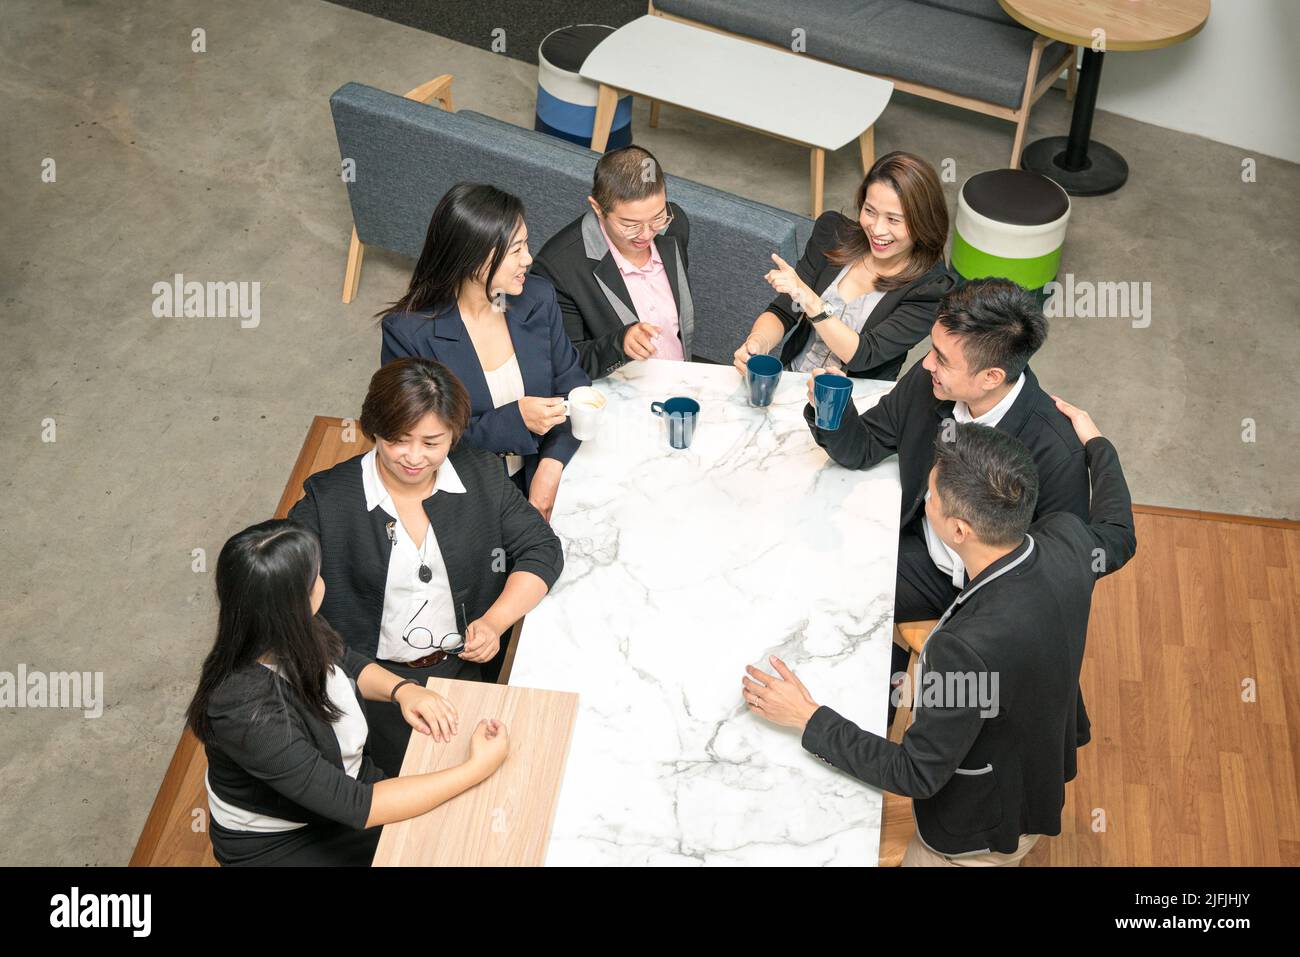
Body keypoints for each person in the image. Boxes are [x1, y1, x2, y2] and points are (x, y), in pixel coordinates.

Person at [743, 406, 1137, 865]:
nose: (924, 500)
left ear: (958, 529)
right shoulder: (1069, 539)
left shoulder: (967, 649)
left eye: (930, 495)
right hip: (1036, 761)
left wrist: (808, 717)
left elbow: (915, 772)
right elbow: (1119, 531)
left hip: (978, 828)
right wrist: (1097, 443)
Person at [805, 278, 1092, 733]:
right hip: (922, 551)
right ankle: (843, 723)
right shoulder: (931, 383)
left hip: (990, 594)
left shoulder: (1054, 450)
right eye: (932, 348)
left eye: (942, 358)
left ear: (991, 377)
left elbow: (1066, 565)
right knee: (826, 588)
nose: (926, 364)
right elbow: (865, 445)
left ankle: (860, 741)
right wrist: (830, 409)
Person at [288, 358, 564, 774]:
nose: (414, 457)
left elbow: (541, 548)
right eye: (399, 440)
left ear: (454, 435)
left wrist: (494, 621)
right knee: (399, 784)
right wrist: (391, 687)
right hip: (371, 683)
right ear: (373, 430)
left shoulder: (480, 473)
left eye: (432, 443)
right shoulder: (328, 500)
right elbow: (285, 603)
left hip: (465, 670)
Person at [188, 519, 511, 866]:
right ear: (295, 602)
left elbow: (342, 658)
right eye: (316, 577)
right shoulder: (244, 711)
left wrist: (402, 691)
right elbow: (358, 805)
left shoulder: (286, 624)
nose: (323, 581)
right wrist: (477, 767)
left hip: (345, 787)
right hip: (284, 840)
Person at [380, 183, 590, 521]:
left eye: (526, 244)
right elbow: (419, 444)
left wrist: (549, 469)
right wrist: (515, 420)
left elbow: (573, 388)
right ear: (474, 258)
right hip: (461, 498)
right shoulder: (409, 335)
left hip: (544, 474)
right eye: (516, 250)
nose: (529, 259)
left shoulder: (538, 299)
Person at [733, 151, 953, 382]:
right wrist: (757, 342)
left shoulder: (932, 288)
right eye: (870, 211)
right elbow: (784, 311)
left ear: (923, 221)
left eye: (893, 219)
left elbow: (864, 354)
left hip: (856, 404)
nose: (877, 229)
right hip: (794, 379)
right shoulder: (833, 234)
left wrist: (809, 298)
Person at [531, 145, 694, 380]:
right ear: (597, 208)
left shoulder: (674, 226)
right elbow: (563, 361)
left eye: (657, 217)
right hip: (617, 397)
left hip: (682, 378)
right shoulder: (559, 267)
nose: (646, 235)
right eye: (630, 224)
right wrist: (619, 345)